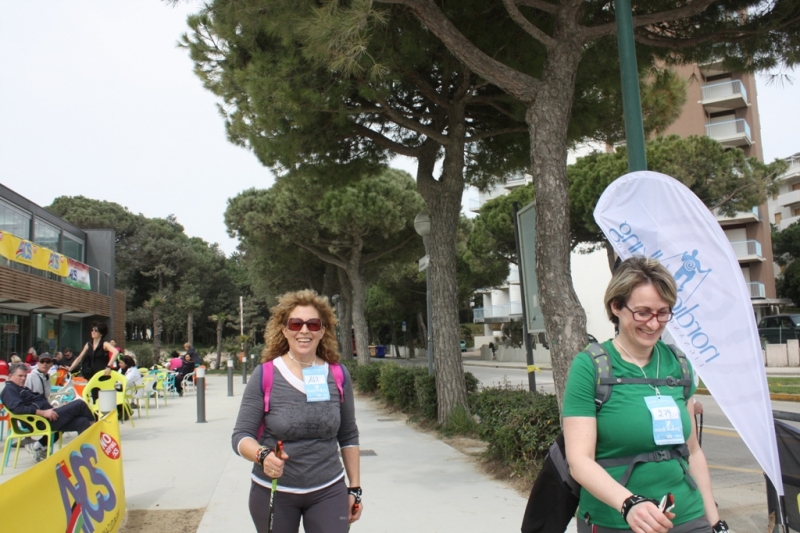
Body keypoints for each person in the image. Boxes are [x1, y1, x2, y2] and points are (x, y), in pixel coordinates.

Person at [563, 257, 727, 533]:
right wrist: (629, 504)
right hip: (616, 520)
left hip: (687, 516)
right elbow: (579, 461)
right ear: (616, 306)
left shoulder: (679, 364)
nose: (654, 324)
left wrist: (715, 521)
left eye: (663, 312)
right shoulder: (590, 366)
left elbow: (694, 451)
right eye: (643, 312)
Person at [232, 289, 362, 533]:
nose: (304, 330)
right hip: (274, 491)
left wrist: (354, 488)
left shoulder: (337, 374)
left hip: (328, 490)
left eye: (313, 324)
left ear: (322, 331)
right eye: (296, 323)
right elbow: (240, 436)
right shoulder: (266, 374)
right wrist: (262, 456)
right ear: (284, 330)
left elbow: (348, 435)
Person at [1, 363, 96, 463]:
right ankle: (97, 429)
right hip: (39, 421)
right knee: (80, 404)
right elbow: (18, 409)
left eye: (25, 376)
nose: (23, 378)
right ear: (10, 376)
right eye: (20, 376)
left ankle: (87, 454)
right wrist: (43, 413)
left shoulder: (20, 388)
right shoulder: (9, 390)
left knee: (83, 421)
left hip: (46, 417)